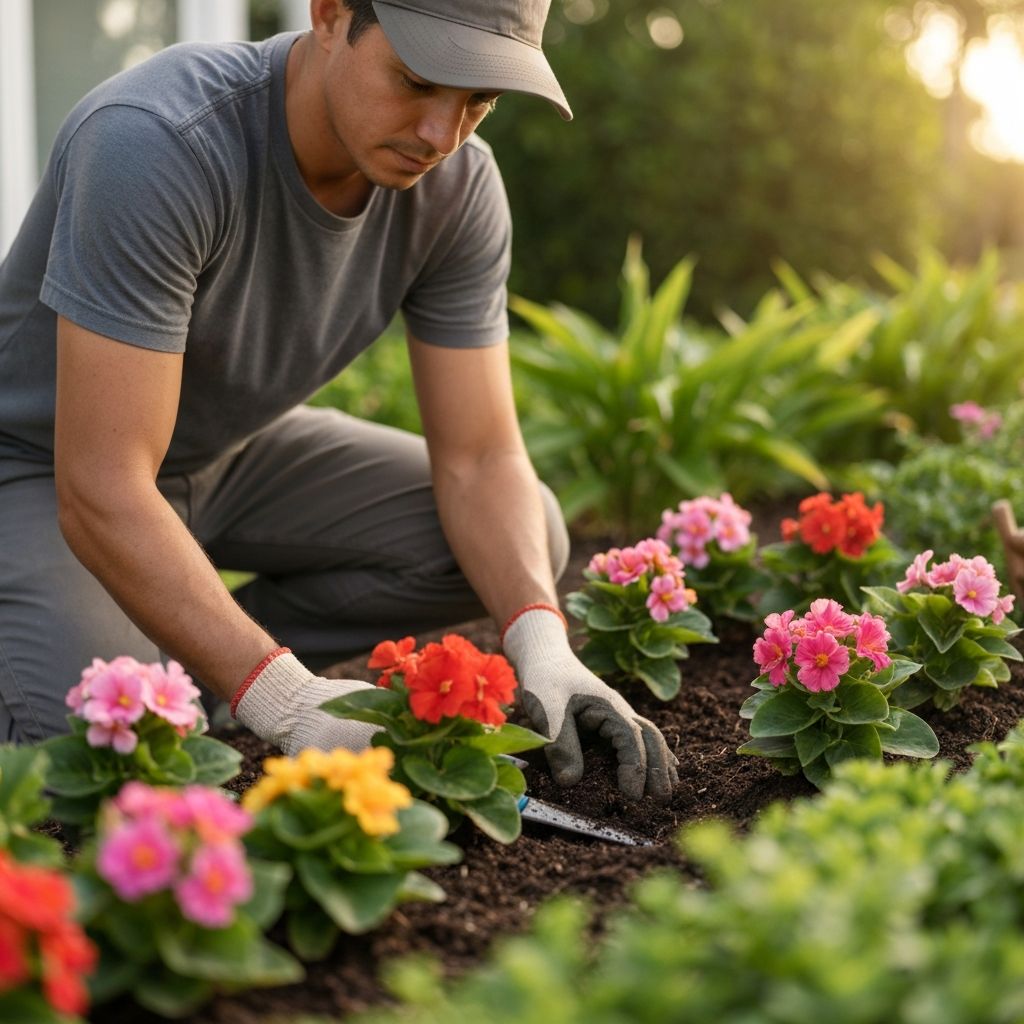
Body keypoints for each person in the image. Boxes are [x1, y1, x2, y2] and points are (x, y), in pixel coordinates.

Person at [0, 0, 677, 802]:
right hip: (39, 469)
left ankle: (199, 666)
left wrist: (544, 645)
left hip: (226, 452)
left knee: (530, 526)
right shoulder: (156, 140)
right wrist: (284, 702)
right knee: (102, 749)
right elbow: (103, 486)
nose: (441, 134)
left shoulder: (458, 189)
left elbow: (481, 458)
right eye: (417, 80)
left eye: (477, 101)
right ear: (328, 13)